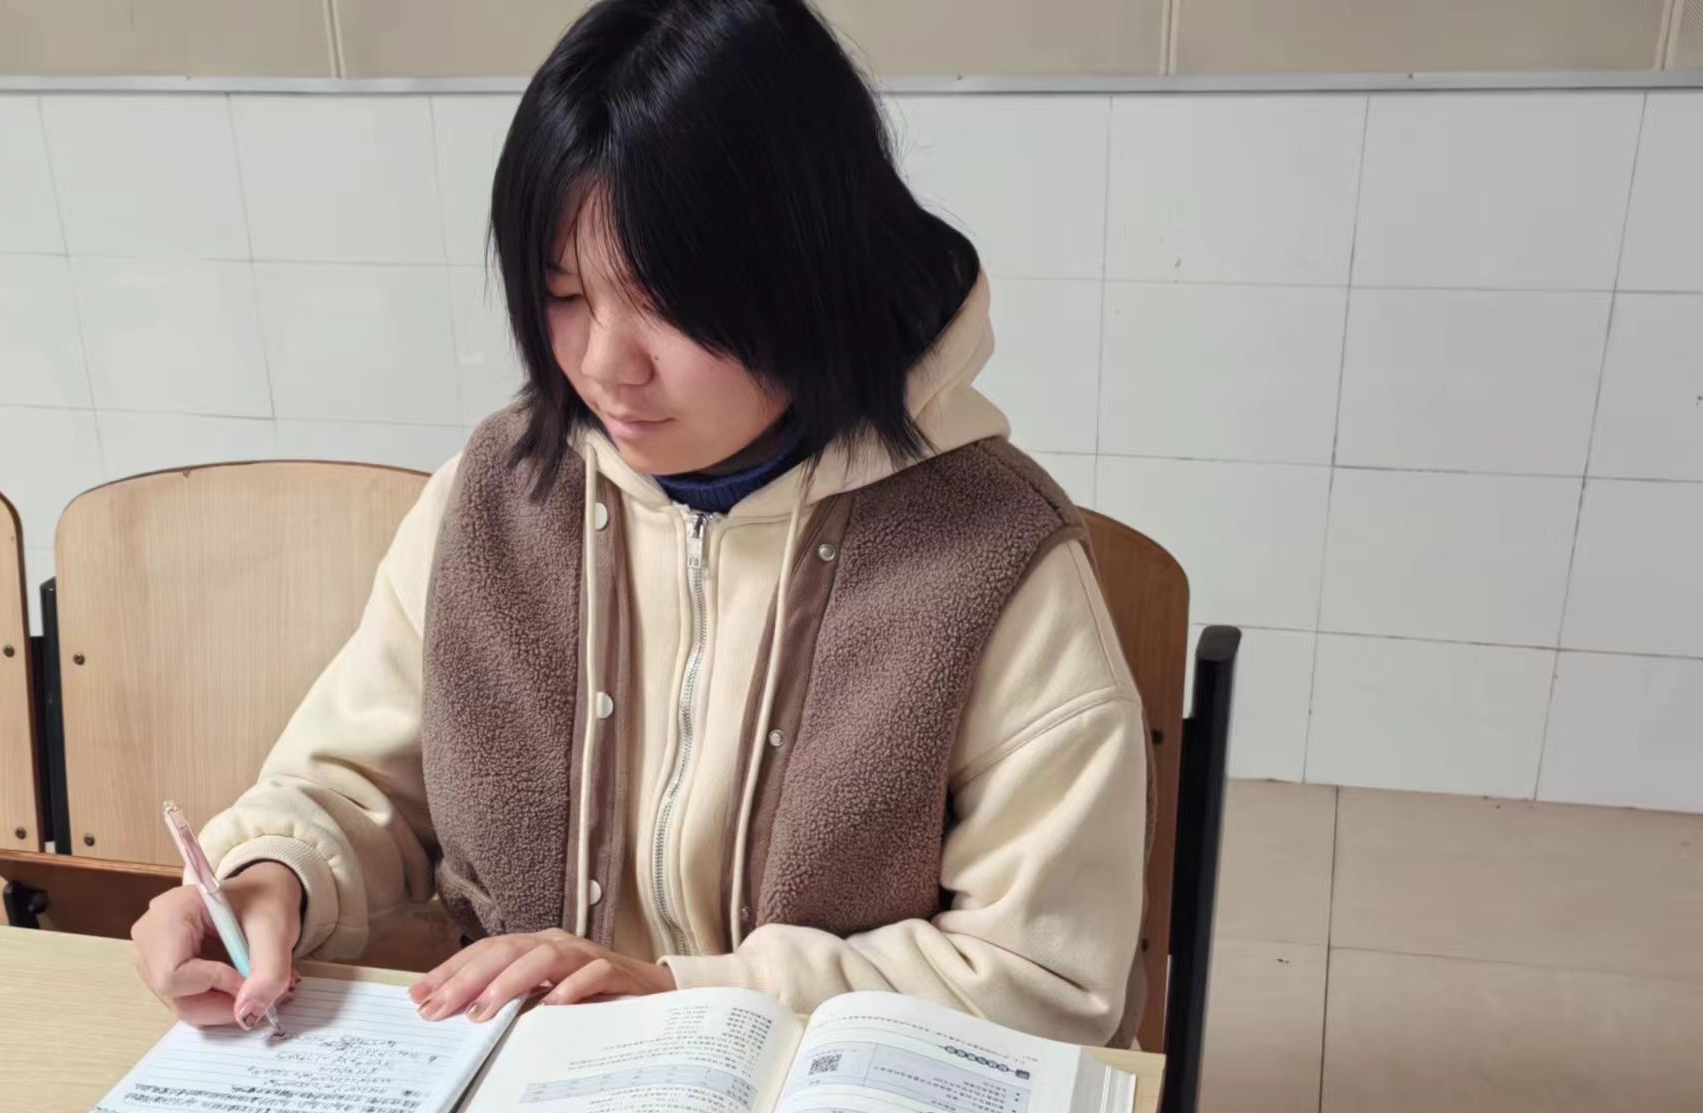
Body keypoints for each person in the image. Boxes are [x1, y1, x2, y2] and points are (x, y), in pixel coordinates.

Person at [130, 0, 1149, 1046]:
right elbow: (353, 783)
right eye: (562, 294)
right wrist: (272, 876)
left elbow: (1043, 977)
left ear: (811, 267)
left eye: (664, 302)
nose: (606, 365)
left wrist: (683, 990)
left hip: (825, 1111)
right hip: (524, 1086)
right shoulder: (498, 498)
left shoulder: (991, 557)